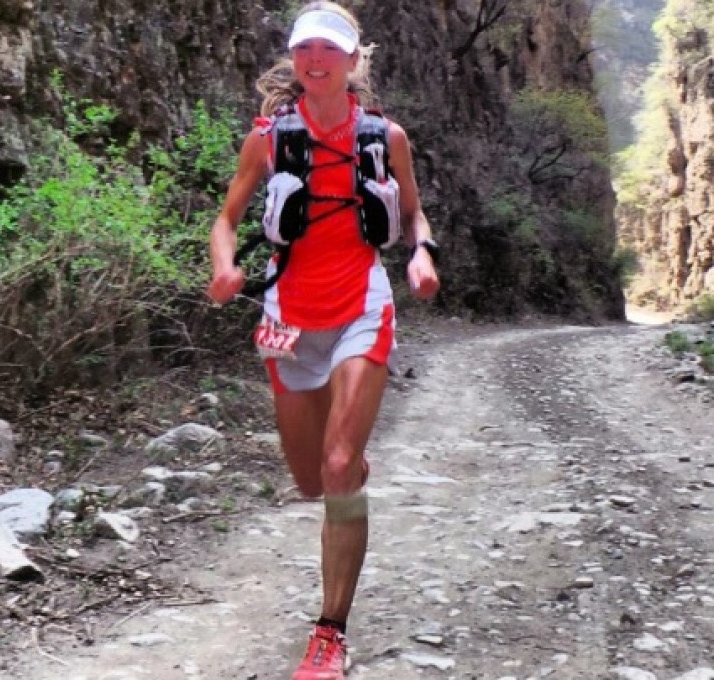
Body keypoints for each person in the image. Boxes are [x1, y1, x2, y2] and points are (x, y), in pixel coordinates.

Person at [206, 3, 440, 678]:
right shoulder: (268, 139)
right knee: (312, 480)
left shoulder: (385, 137)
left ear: (352, 60)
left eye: (329, 50)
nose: (316, 60)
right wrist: (225, 266)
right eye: (305, 49)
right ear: (295, 59)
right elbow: (226, 219)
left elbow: (414, 208)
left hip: (362, 306)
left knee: (339, 463)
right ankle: (347, 480)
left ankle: (329, 632)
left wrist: (421, 252)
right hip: (287, 317)